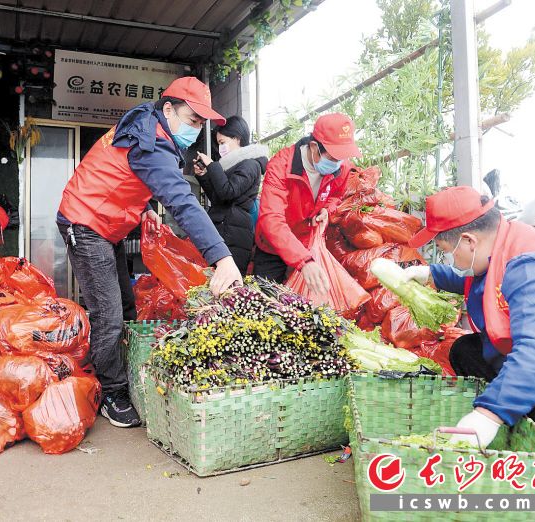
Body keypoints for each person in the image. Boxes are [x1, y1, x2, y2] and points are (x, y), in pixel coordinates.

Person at [56, 76, 243, 428]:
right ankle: (111, 392)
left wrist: (143, 208)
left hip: (106, 222)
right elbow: (184, 203)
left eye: (201, 124)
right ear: (168, 109)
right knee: (108, 313)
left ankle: (120, 373)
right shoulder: (151, 141)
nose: (195, 129)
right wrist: (222, 258)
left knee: (126, 306)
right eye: (192, 120)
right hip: (84, 222)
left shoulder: (149, 125)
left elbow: (121, 174)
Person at [401, 186, 535, 453]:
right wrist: (429, 274)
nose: (448, 259)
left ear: (469, 241)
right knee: (464, 351)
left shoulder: (534, 268)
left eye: (445, 251)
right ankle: (514, 402)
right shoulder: (498, 244)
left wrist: (488, 415)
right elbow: (474, 278)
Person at [253, 113, 361, 294]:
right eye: (334, 157)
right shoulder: (281, 166)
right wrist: (303, 261)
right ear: (314, 147)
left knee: (303, 308)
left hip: (306, 243)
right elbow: (271, 218)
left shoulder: (342, 168)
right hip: (273, 247)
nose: (338, 163)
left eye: (342, 157)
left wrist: (328, 208)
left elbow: (336, 195)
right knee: (265, 301)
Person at [193, 115, 268, 274]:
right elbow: (218, 197)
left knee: (227, 285)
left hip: (235, 234)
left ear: (237, 138)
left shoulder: (250, 164)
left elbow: (228, 192)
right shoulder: (232, 164)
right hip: (225, 229)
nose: (221, 148)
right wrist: (204, 176)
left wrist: (212, 165)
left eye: (223, 143)